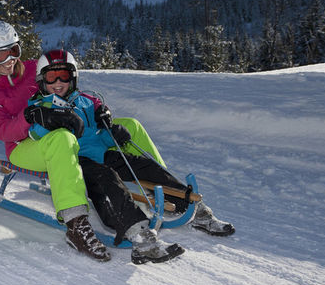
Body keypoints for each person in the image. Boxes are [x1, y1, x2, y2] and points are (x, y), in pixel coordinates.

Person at [0, 21, 179, 263]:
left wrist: (101, 110)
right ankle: (76, 226)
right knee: (62, 138)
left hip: (67, 134)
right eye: (0, 55)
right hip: (24, 148)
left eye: (14, 51)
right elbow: (4, 131)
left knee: (130, 125)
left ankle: (170, 191)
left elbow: (74, 90)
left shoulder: (35, 69)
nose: (9, 60)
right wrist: (31, 117)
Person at [30, 49, 236, 257]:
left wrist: (112, 133)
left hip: (101, 153)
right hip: (74, 161)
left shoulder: (87, 101)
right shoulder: (41, 107)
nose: (58, 82)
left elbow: (97, 134)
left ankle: (194, 208)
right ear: (42, 80)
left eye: (63, 75)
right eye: (51, 76)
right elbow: (36, 134)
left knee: (144, 166)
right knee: (106, 180)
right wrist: (48, 119)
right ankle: (139, 233)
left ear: (73, 77)